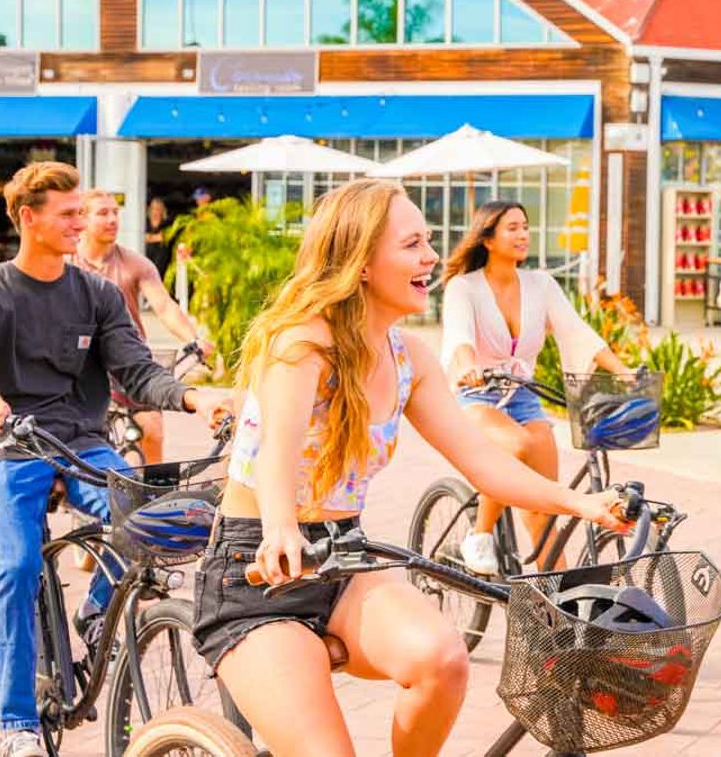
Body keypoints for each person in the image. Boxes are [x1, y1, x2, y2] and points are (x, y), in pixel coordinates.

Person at [197, 180, 630, 757]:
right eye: (411, 244)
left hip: (342, 561)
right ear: (362, 263)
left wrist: (583, 504)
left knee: (442, 659)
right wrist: (280, 525)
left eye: (427, 241)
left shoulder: (409, 359)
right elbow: (279, 445)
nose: (431, 257)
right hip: (257, 571)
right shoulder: (302, 344)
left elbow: (484, 464)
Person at [0, 162, 231, 757]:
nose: (82, 224)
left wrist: (195, 398)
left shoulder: (96, 294)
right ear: (29, 218)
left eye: (83, 212)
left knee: (152, 520)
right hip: (2, 442)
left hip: (78, 437)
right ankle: (19, 722)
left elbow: (137, 369)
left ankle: (95, 616)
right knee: (18, 566)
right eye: (68, 214)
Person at [440, 200, 633, 576]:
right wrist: (468, 367)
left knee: (544, 509)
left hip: (523, 396)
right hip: (479, 394)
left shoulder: (540, 284)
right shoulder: (464, 288)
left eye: (525, 227)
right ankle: (479, 534)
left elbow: (577, 331)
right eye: (511, 228)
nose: (522, 234)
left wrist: (623, 372)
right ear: (488, 239)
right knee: (514, 446)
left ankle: (559, 603)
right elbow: (460, 338)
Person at [74, 189, 213, 463]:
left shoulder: (134, 263)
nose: (112, 219)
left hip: (128, 361)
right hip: (79, 361)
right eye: (103, 213)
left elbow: (163, 306)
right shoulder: (66, 263)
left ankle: (154, 492)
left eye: (115, 212)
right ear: (83, 219)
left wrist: (193, 339)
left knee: (153, 429)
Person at [144, 196, 172, 277]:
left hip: (161, 268)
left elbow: (166, 237)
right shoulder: (144, 223)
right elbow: (139, 238)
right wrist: (156, 237)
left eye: (158, 209)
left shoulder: (167, 224)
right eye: (153, 208)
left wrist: (149, 238)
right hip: (145, 265)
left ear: (163, 211)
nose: (155, 211)